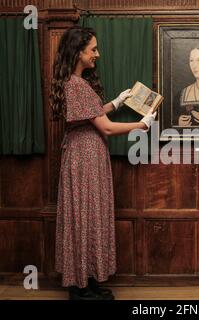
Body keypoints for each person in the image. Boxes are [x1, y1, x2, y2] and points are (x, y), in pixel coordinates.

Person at [49, 26, 156, 300]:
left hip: (86, 156)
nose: (97, 54)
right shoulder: (77, 85)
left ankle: (88, 279)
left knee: (89, 216)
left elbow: (93, 115)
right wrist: (141, 125)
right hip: (84, 158)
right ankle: (80, 288)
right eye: (93, 49)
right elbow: (106, 128)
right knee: (84, 217)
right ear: (78, 52)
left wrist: (116, 102)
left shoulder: (77, 84)